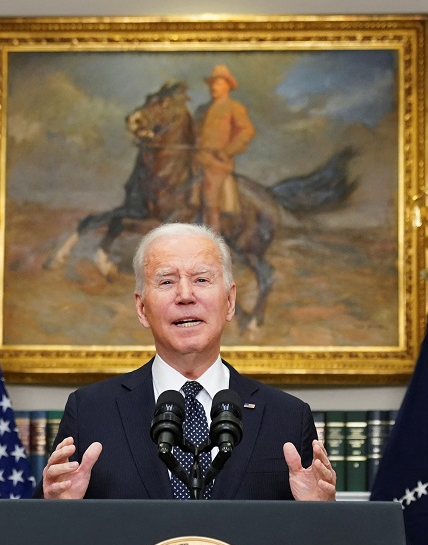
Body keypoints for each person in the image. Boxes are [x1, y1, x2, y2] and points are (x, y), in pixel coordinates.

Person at [36, 222, 336, 501]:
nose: (185, 295)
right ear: (141, 308)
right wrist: (54, 509)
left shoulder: (287, 416)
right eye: (166, 281)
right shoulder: (90, 411)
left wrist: (320, 512)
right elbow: (43, 542)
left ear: (229, 302)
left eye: (201, 279)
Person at [193, 65, 255, 233]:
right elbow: (195, 133)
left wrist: (227, 151)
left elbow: (247, 131)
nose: (214, 87)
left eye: (219, 83)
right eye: (212, 83)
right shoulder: (201, 110)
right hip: (197, 158)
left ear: (228, 86)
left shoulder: (234, 107)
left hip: (216, 162)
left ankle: (213, 234)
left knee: (210, 192)